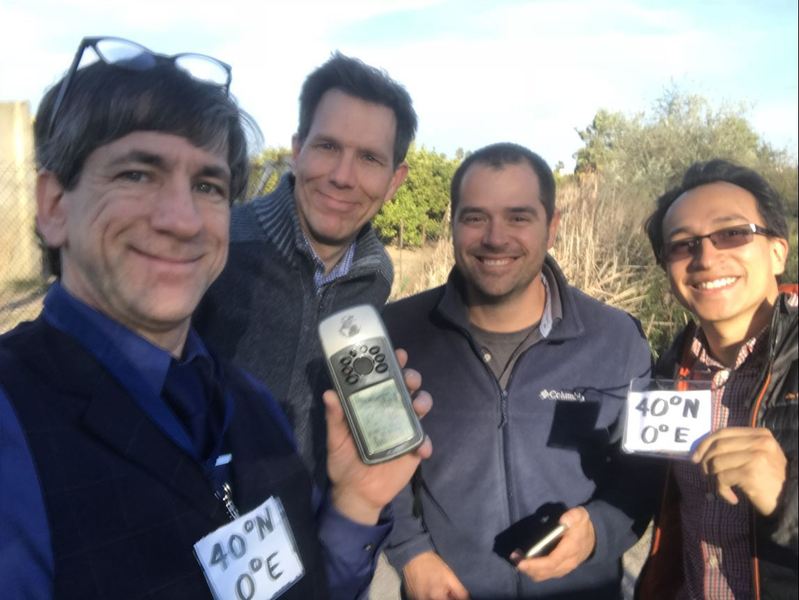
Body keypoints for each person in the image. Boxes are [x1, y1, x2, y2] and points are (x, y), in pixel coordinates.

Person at [0, 37, 431, 600]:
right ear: (54, 205)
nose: (181, 220)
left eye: (207, 186)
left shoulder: (248, 408)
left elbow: (294, 587)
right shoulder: (17, 424)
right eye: (136, 174)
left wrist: (356, 503)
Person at [381, 142, 655, 599]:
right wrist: (410, 553)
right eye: (474, 217)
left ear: (552, 227)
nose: (495, 237)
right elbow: (376, 463)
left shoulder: (618, 339)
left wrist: (599, 528)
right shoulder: (397, 333)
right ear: (452, 224)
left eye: (518, 217)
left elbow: (644, 472)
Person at [195, 52, 416, 485]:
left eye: (370, 158)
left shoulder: (377, 275)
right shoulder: (215, 244)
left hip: (316, 529)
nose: (343, 176)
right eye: (328, 146)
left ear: (395, 181)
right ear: (297, 151)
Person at [636, 159, 797, 599]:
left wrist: (787, 500)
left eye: (733, 233)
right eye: (683, 245)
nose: (706, 258)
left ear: (778, 251)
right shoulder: (666, 371)